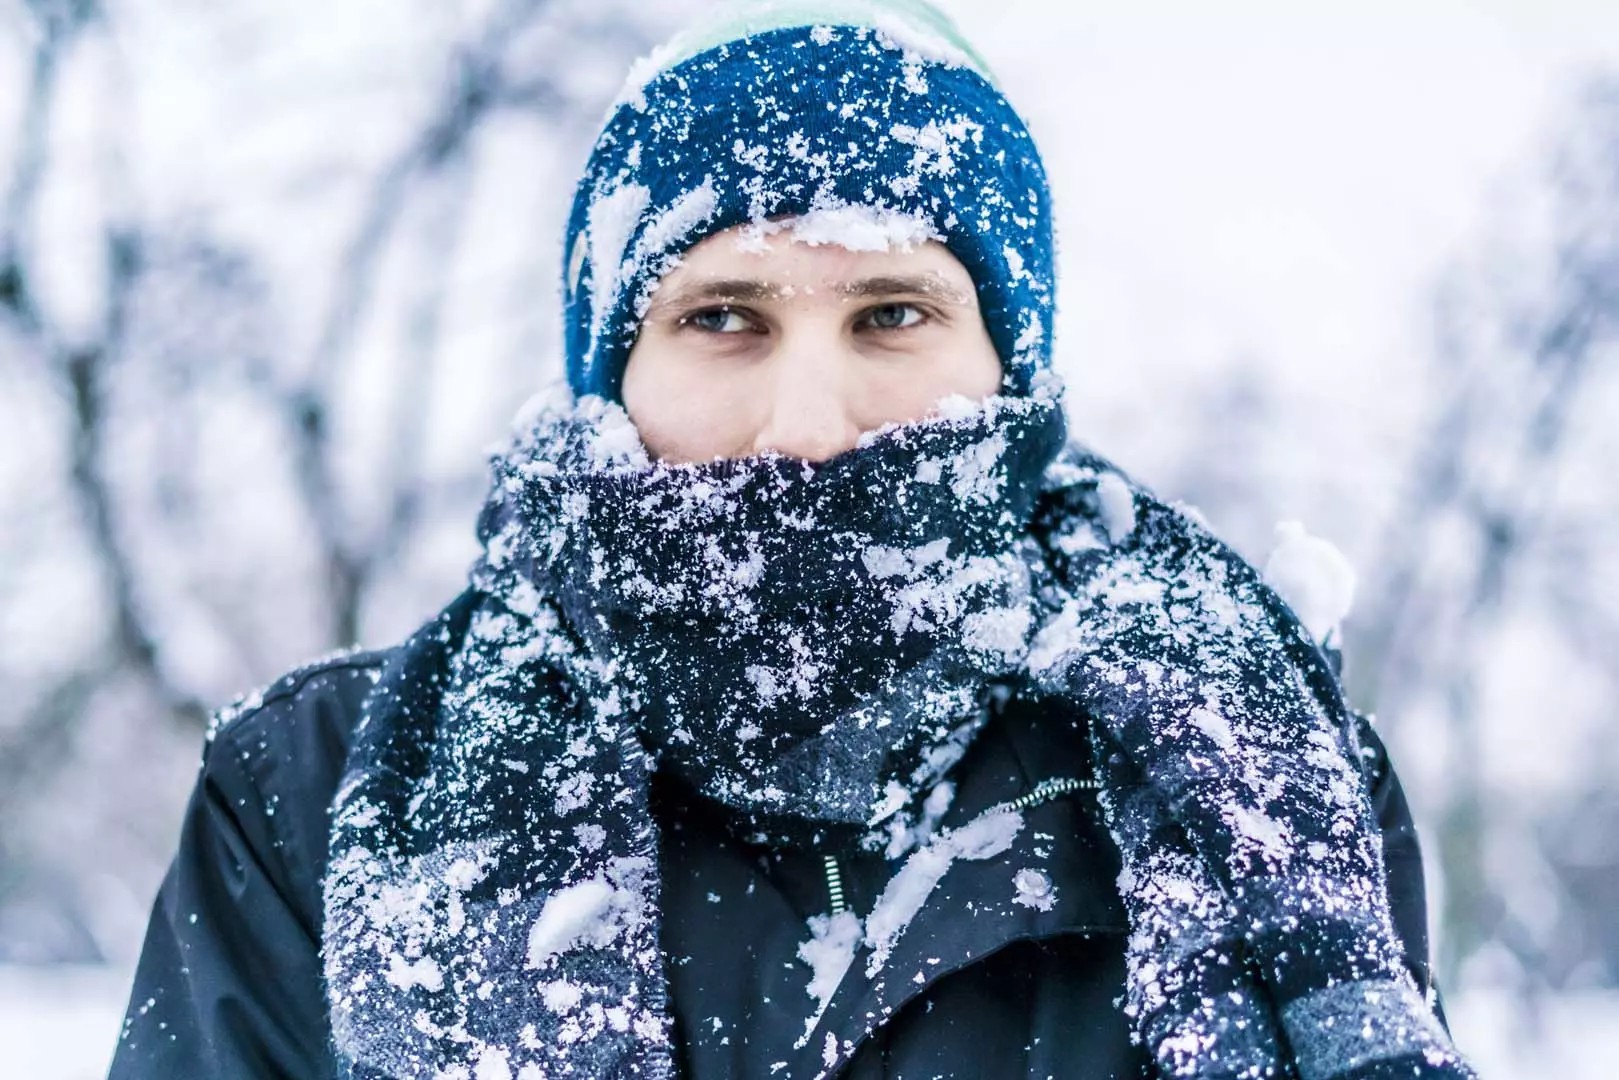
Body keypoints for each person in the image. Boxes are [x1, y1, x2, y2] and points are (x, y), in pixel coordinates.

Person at [110, 3, 1478, 1078]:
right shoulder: (316, 794)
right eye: (721, 317)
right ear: (611, 370)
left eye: (892, 314)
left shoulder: (1240, 773)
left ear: (1010, 368)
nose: (807, 422)